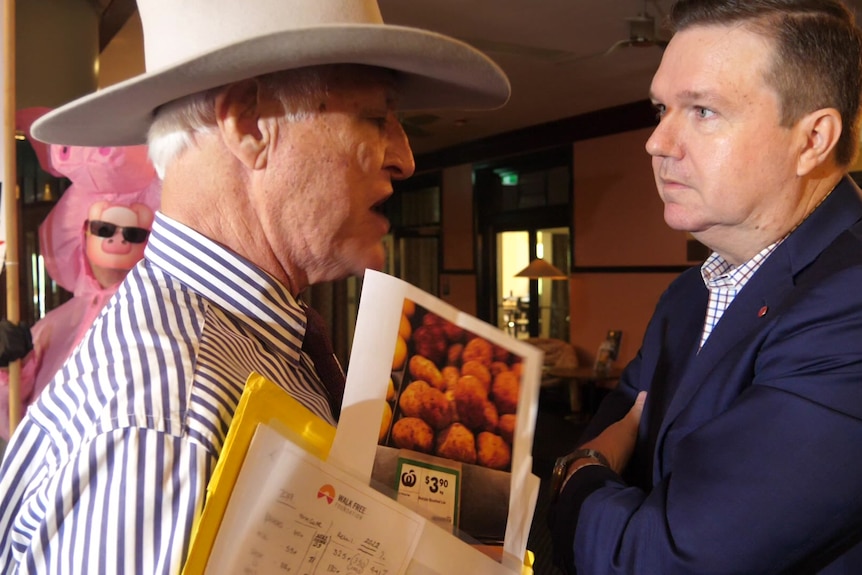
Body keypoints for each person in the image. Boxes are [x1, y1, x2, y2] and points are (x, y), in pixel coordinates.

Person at [0, 0, 509, 572]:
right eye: (375, 118)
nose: (405, 157)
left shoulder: (243, 349)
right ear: (248, 123)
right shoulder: (170, 423)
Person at [548, 1, 862, 573]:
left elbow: (665, 558)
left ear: (813, 138)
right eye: (662, 108)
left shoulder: (852, 305)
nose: (657, 142)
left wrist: (582, 471)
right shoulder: (687, 296)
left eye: (703, 111)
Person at [0, 129, 160, 440]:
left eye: (134, 234)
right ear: (83, 231)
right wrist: (12, 364)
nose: (117, 238)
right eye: (104, 228)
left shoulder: (153, 318)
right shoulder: (57, 323)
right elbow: (12, 415)